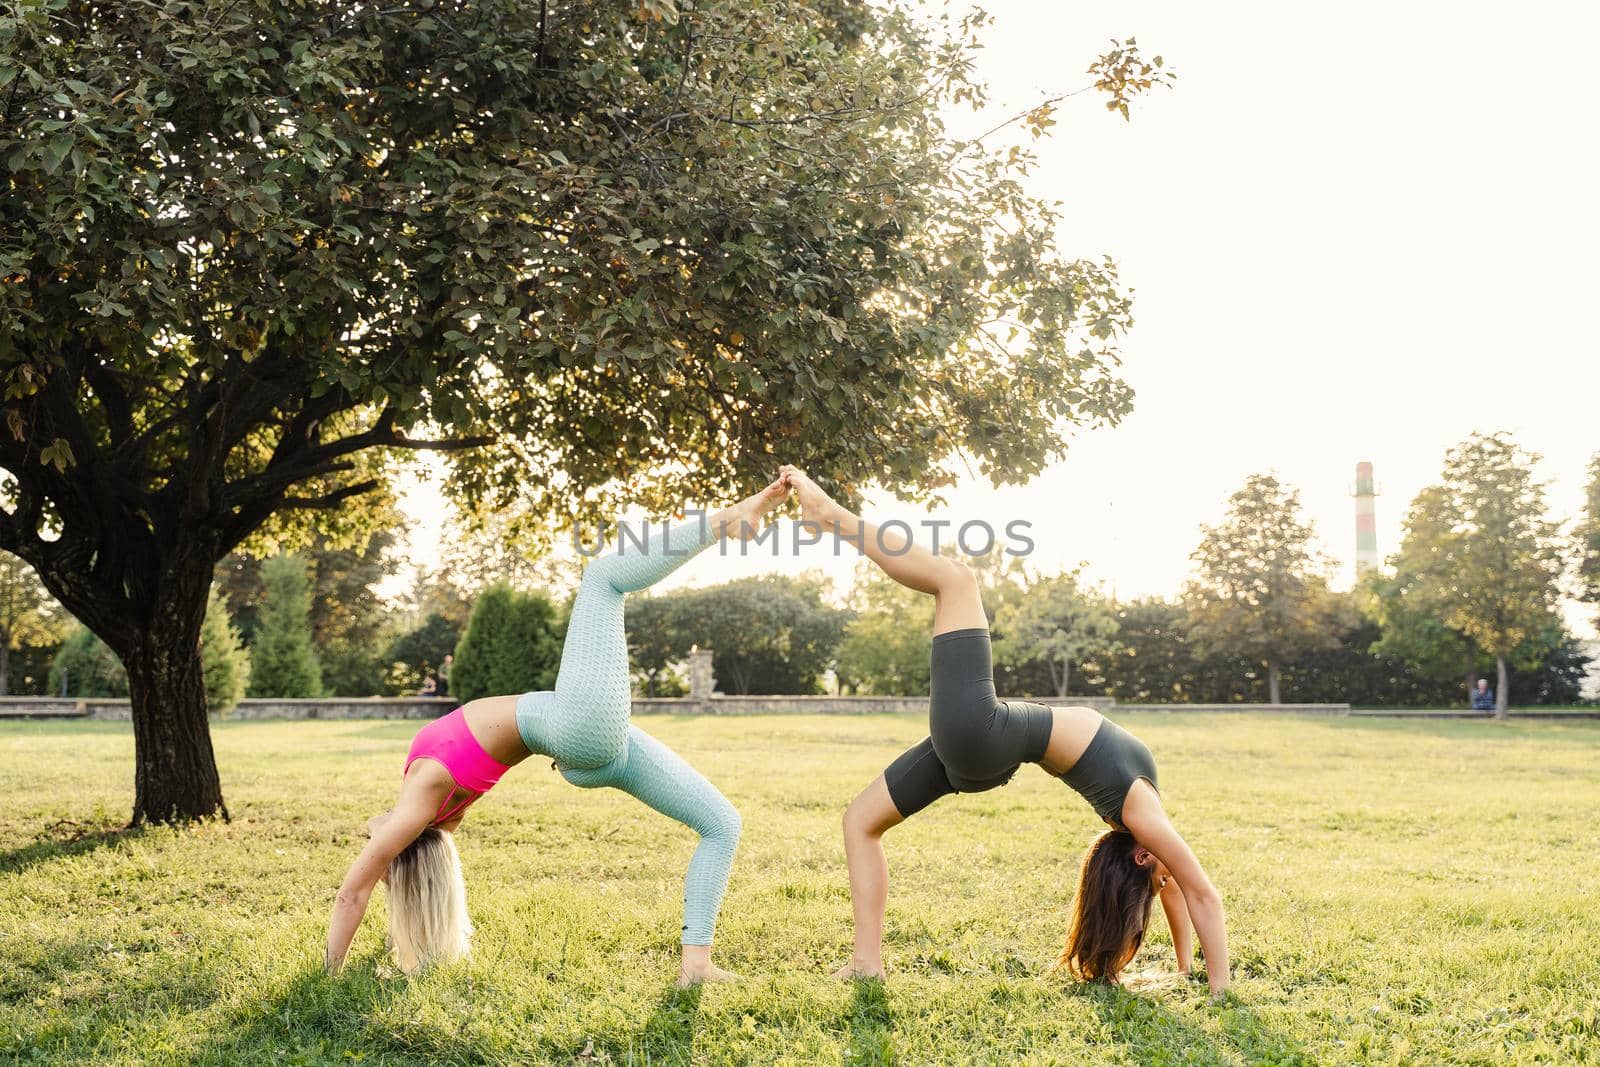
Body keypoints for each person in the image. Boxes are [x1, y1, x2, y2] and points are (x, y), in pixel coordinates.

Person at [779, 466, 1231, 997]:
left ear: (1140, 856)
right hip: (981, 753)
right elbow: (1178, 889)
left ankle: (830, 515)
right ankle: (866, 963)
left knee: (956, 579)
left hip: (984, 732)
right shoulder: (1141, 827)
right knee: (860, 821)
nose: (1166, 877)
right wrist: (1184, 968)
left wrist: (1219, 987)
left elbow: (1202, 895)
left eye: (1156, 878)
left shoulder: (1140, 817)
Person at [324, 479, 791, 984]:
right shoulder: (424, 795)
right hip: (578, 726)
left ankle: (696, 966)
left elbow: (399, 840)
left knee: (723, 823)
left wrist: (388, 849)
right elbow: (353, 892)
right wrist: (330, 974)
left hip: (585, 750)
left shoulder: (437, 818)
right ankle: (732, 520)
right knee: (604, 577)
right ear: (404, 839)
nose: (378, 833)